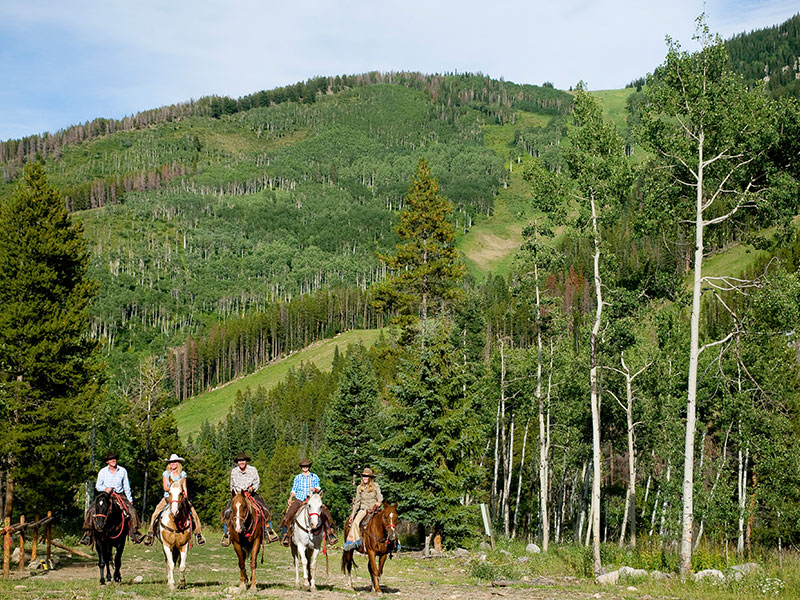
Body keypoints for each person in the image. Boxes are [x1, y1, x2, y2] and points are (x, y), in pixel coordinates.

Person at [79, 452, 145, 545]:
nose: (113, 460)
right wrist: (105, 489)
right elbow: (98, 486)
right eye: (110, 459)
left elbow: (126, 486)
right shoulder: (102, 471)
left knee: (131, 511)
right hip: (105, 495)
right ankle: (88, 534)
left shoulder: (122, 471)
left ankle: (134, 533)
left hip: (119, 495)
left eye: (114, 458)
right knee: (91, 510)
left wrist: (130, 499)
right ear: (107, 462)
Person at [143, 453, 206, 546]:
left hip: (180, 497)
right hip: (168, 497)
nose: (173, 464)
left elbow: (184, 487)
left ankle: (198, 534)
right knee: (156, 512)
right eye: (171, 462)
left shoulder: (183, 474)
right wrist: (174, 489)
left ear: (178, 464)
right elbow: (165, 487)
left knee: (193, 513)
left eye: (175, 462)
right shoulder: (166, 474)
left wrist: (185, 498)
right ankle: (151, 533)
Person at [220, 452, 278, 547]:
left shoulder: (252, 470)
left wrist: (252, 488)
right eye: (239, 461)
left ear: (246, 461)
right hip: (238, 495)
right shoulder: (234, 471)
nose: (241, 462)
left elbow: (257, 482)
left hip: (251, 494)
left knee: (264, 508)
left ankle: (269, 531)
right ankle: (227, 534)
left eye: (243, 460)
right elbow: (232, 485)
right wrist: (236, 494)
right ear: (237, 462)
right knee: (228, 511)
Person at [279, 457, 337, 546]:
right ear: (301, 467)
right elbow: (294, 489)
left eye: (306, 466)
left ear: (309, 466)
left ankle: (330, 533)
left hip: (312, 499)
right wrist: (290, 497)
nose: (305, 468)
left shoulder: (314, 476)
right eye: (303, 466)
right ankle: (287, 534)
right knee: (289, 513)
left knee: (325, 512)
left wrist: (315, 489)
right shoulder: (298, 477)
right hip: (299, 499)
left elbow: (319, 488)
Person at [343, 467, 383, 551]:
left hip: (375, 509)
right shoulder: (359, 487)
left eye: (367, 476)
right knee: (355, 523)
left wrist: (379, 502)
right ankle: (357, 541)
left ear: (370, 478)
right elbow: (357, 502)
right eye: (364, 476)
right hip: (364, 509)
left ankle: (395, 542)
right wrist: (352, 515)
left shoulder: (375, 486)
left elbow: (380, 496)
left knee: (387, 520)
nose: (365, 478)